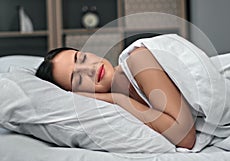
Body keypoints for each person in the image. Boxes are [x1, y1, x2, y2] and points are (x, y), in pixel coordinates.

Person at [36, 35, 196, 149]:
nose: (89, 69)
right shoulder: (123, 95)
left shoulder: (138, 60)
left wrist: (118, 100)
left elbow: (185, 138)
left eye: (81, 58)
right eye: (77, 78)